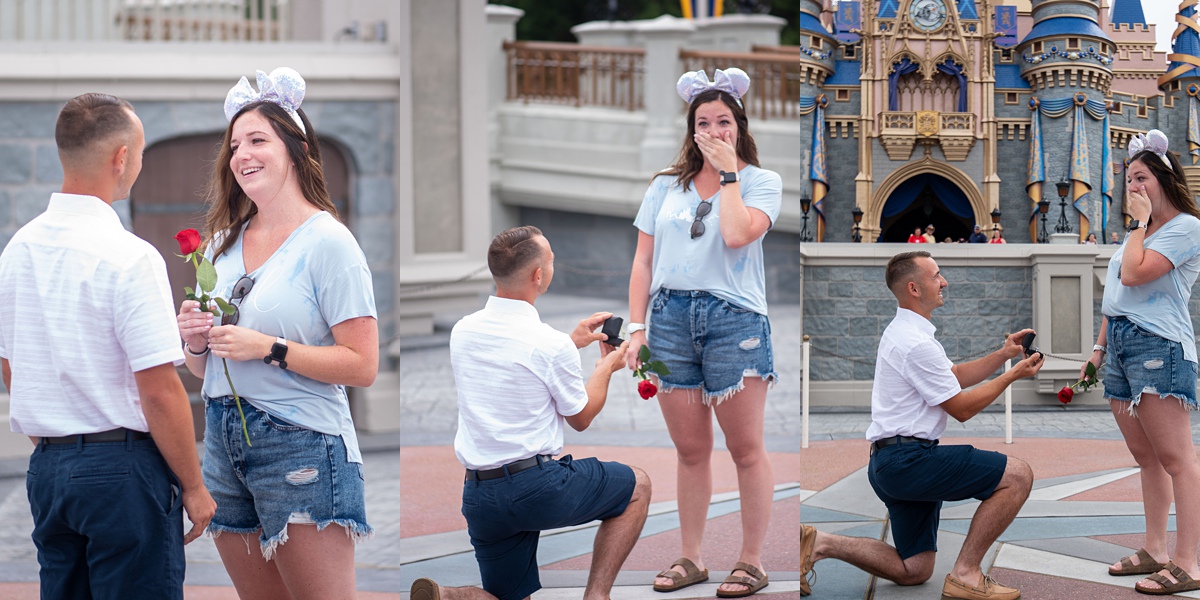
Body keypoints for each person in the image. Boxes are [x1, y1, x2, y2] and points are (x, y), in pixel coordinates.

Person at [0, 93, 215, 598]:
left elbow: (11, 366)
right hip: (122, 471)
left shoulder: (16, 251)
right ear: (121, 158)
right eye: (138, 153)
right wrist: (195, 486)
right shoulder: (130, 256)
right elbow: (160, 391)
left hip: (49, 469)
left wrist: (61, 444)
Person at [176, 68, 378, 598]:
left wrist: (269, 348)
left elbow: (362, 364)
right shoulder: (219, 245)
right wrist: (196, 339)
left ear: (295, 148)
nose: (242, 154)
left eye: (258, 140)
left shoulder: (329, 243)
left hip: (301, 443)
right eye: (235, 144)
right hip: (220, 439)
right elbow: (203, 368)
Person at [411, 226, 651, 600]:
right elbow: (581, 417)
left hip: (479, 493)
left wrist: (571, 344)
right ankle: (597, 595)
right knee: (638, 485)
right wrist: (606, 368)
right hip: (537, 488)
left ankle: (448, 596)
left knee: (509, 597)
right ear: (538, 276)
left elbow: (515, 365)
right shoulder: (549, 345)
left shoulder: (464, 331)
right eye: (551, 259)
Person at [801, 251, 1044, 600]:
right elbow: (960, 408)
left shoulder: (906, 332)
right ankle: (967, 575)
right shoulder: (914, 343)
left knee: (913, 569)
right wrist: (1014, 375)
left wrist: (1004, 355)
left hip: (891, 463)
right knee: (1017, 475)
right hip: (908, 462)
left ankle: (818, 543)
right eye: (937, 276)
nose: (944, 282)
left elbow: (954, 376)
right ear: (914, 288)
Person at [627, 67, 781, 597]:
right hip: (668, 320)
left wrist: (729, 174)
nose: (714, 131)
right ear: (691, 130)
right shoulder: (665, 187)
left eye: (724, 121)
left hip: (733, 321)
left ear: (738, 126)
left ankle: (751, 560)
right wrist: (637, 329)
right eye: (704, 122)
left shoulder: (763, 182)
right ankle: (691, 556)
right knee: (690, 449)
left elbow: (738, 236)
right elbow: (644, 262)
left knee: (745, 448)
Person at [1085, 130, 1200, 595]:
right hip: (1122, 349)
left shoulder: (1186, 228)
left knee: (1177, 459)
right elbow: (1117, 299)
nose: (1131, 187)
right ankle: (1155, 548)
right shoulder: (1140, 234)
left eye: (1140, 177)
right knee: (1146, 458)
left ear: (1165, 181)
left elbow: (1135, 274)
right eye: (1128, 179)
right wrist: (1097, 351)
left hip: (1159, 346)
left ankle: (1189, 561)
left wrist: (1137, 226)